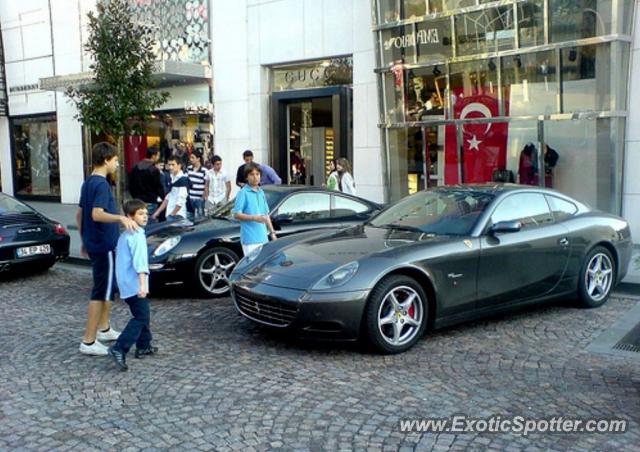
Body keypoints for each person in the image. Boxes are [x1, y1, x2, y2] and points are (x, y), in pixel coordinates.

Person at [76, 142, 138, 356]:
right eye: (115, 160)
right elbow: (96, 214)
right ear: (106, 160)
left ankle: (103, 328)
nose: (118, 164)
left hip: (96, 243)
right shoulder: (101, 184)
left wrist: (84, 239)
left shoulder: (88, 182)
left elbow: (80, 215)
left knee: (109, 288)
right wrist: (121, 217)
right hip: (103, 245)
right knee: (101, 290)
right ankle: (89, 341)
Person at [107, 199, 156, 371]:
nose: (145, 217)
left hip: (125, 281)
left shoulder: (126, 234)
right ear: (130, 216)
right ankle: (119, 348)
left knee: (143, 313)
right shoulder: (136, 235)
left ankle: (144, 345)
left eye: (146, 213)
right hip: (134, 283)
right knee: (140, 317)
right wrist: (142, 285)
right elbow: (140, 263)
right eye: (140, 214)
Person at [232, 163, 277, 256]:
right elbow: (236, 214)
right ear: (246, 177)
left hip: (263, 238)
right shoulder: (243, 193)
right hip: (250, 239)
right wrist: (254, 218)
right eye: (252, 174)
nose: (255, 177)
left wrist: (272, 233)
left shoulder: (261, 192)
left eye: (257, 174)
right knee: (253, 268)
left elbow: (266, 214)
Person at [128, 147, 165, 217]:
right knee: (150, 225)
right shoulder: (154, 170)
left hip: (137, 201)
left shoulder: (135, 167)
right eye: (158, 155)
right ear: (153, 156)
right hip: (150, 201)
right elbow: (159, 187)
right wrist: (163, 198)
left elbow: (130, 185)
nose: (158, 157)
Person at [151, 155, 189, 222]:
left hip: (177, 215)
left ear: (179, 165)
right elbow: (168, 197)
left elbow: (181, 200)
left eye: (173, 165)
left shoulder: (182, 180)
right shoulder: (172, 178)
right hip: (170, 213)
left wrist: (173, 214)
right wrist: (157, 212)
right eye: (169, 165)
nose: (170, 167)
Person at [187, 150, 207, 220]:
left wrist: (203, 197)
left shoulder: (204, 170)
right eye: (190, 158)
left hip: (200, 198)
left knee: (200, 217)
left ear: (198, 159)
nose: (191, 159)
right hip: (190, 197)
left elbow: (206, 185)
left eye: (193, 157)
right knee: (189, 216)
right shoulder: (188, 168)